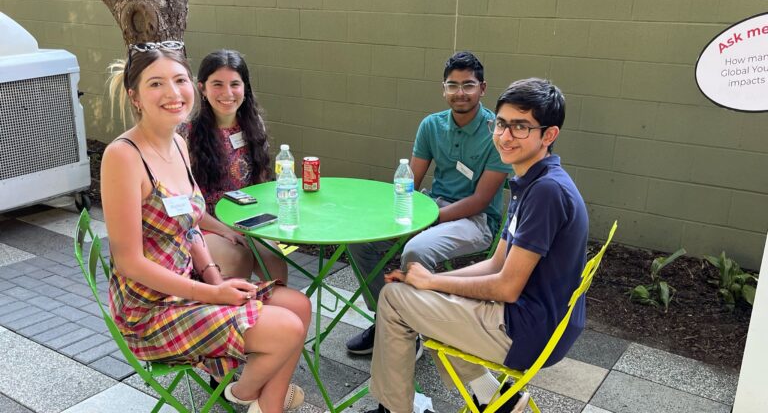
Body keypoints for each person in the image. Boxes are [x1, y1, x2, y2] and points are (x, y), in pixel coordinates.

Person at [101, 41, 311, 413]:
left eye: (179, 79)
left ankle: (266, 406)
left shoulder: (179, 144)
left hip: (192, 288)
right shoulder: (123, 156)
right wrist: (211, 294)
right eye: (155, 84)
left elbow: (191, 223)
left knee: (299, 306)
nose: (172, 93)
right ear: (134, 96)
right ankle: (244, 395)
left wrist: (214, 280)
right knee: (287, 329)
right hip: (151, 309)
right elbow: (130, 263)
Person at [363, 78, 589, 413]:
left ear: (549, 135)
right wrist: (433, 285)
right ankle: (493, 398)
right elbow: (497, 263)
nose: (505, 135)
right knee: (424, 299)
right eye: (500, 124)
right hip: (536, 320)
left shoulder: (546, 192)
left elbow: (507, 287)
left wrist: (433, 282)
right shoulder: (534, 181)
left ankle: (394, 410)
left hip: (526, 330)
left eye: (521, 127)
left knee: (395, 301)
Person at [346, 51, 512, 355]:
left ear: (483, 89)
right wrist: (392, 213)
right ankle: (386, 318)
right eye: (453, 85)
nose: (460, 93)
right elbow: (410, 183)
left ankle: (412, 329)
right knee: (361, 241)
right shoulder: (431, 126)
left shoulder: (495, 133)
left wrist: (430, 218)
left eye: (468, 85)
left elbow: (480, 200)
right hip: (431, 207)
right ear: (443, 89)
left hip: (474, 221)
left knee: (416, 249)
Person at [177, 49, 288, 284]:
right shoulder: (187, 134)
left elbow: (261, 184)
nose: (227, 93)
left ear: (245, 88)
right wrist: (224, 230)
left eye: (234, 84)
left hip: (247, 221)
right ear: (202, 88)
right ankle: (234, 316)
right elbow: (185, 202)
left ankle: (272, 316)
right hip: (204, 222)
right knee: (238, 258)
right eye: (217, 84)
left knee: (276, 263)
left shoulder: (253, 126)